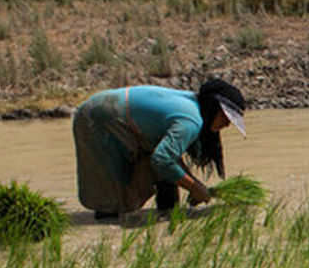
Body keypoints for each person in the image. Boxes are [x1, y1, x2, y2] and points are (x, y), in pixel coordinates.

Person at [72, 78, 247, 219]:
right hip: (99, 116)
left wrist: (194, 185)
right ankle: (107, 229)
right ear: (213, 108)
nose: (227, 124)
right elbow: (162, 160)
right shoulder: (191, 121)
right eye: (225, 117)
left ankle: (167, 212)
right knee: (111, 199)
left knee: (169, 170)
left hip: (112, 108)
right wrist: (195, 188)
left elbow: (171, 158)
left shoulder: (194, 106)